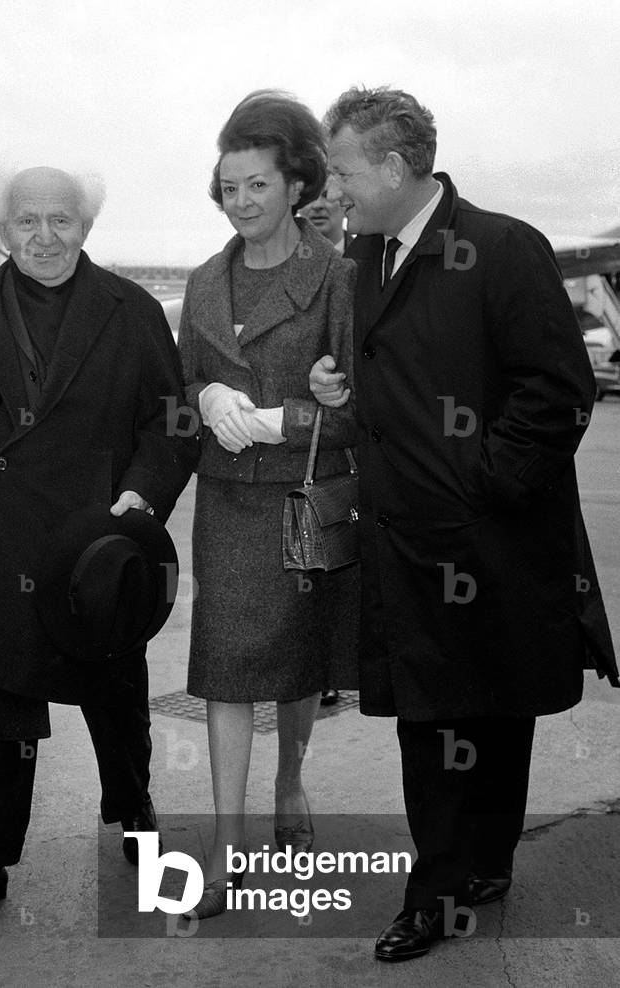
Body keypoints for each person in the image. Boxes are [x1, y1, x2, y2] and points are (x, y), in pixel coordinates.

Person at [311, 86, 618, 962]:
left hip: (488, 537)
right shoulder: (366, 253)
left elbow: (556, 394)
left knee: (495, 707)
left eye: (343, 171)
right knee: (433, 716)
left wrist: (480, 484)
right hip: (405, 541)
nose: (335, 190)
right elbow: (405, 373)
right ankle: (446, 879)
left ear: (397, 168)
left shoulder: (501, 246)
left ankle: (466, 872)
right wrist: (346, 390)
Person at [0, 165, 198, 930]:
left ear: (85, 227)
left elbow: (170, 421)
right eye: (27, 221)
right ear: (2, 231)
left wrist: (140, 498)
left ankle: (134, 817)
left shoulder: (129, 311)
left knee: (115, 702)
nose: (44, 236)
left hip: (92, 548)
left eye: (60, 220)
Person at [176, 90, 359, 920]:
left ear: (294, 185)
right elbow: (181, 385)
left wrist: (285, 416)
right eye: (228, 187)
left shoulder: (338, 281)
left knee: (293, 660)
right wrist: (208, 395)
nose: (240, 201)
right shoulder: (202, 281)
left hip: (301, 498)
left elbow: (363, 406)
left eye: (255, 184)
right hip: (226, 500)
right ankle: (224, 848)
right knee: (220, 666)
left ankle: (288, 780)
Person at [298, 179, 350, 709]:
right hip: (304, 439)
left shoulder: (360, 270)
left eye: (327, 204)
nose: (316, 211)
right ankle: (322, 670)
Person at [300, 181, 348, 256]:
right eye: (310, 196)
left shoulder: (370, 255)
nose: (317, 205)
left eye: (326, 195)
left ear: (346, 203)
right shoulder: (278, 257)